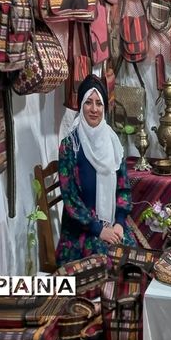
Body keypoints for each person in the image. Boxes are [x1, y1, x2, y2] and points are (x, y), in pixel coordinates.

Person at [56, 74, 137, 265]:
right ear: (81, 105)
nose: (94, 109)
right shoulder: (70, 146)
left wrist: (119, 222)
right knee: (109, 262)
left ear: (105, 108)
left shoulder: (112, 142)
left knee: (135, 258)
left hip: (112, 224)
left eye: (99, 103)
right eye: (88, 102)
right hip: (81, 232)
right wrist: (99, 229)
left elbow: (123, 188)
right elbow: (70, 199)